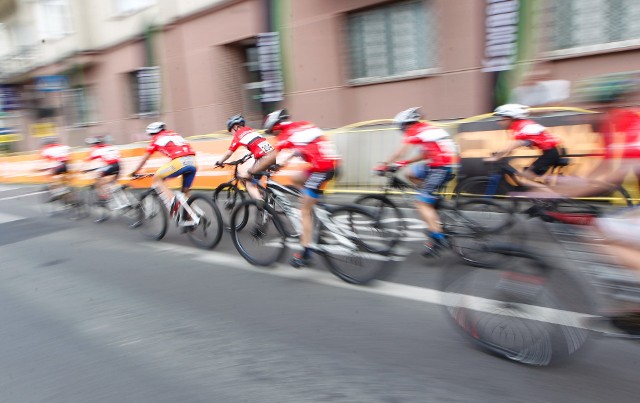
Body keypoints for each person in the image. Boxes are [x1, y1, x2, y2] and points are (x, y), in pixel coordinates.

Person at [249, 109, 341, 268]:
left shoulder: (286, 133)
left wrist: (253, 171)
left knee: (304, 210)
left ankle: (305, 253)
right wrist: (278, 166)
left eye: (273, 132)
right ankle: (318, 206)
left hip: (322, 169)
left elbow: (272, 156)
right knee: (297, 179)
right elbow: (295, 151)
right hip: (331, 164)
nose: (275, 136)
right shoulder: (302, 126)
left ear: (277, 127)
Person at [377, 107, 459, 257]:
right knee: (410, 174)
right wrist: (404, 163)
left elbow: (400, 151)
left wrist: (385, 164)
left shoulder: (414, 130)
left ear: (406, 124)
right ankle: (429, 198)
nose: (402, 130)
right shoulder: (426, 129)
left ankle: (438, 236)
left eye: (401, 127)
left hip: (441, 168)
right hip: (441, 164)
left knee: (420, 203)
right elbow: (425, 153)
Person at [130, 122, 197, 214]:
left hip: (179, 162)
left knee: (157, 178)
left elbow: (144, 160)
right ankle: (192, 218)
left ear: (152, 133)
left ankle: (172, 200)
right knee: (185, 194)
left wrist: (134, 171)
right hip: (193, 161)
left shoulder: (155, 139)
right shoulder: (174, 134)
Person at [487, 103, 564, 184]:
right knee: (526, 174)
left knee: (526, 178)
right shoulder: (521, 125)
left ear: (511, 118)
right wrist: (503, 154)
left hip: (550, 154)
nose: (499, 122)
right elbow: (517, 144)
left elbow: (516, 143)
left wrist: (497, 156)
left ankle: (553, 196)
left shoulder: (522, 126)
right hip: (551, 152)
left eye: (502, 119)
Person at [214, 114, 276, 200]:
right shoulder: (251, 130)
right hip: (273, 154)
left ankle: (262, 205)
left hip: (263, 158)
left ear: (236, 127)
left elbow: (229, 153)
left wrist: (219, 161)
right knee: (256, 179)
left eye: (231, 130)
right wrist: (249, 155)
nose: (231, 133)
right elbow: (256, 144)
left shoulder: (238, 134)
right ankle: (265, 201)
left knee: (249, 182)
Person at [84, 136, 121, 202]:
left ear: (96, 143)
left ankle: (104, 196)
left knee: (98, 180)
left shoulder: (97, 149)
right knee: (108, 181)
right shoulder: (112, 147)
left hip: (110, 166)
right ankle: (111, 192)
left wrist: (84, 169)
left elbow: (88, 160)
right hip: (118, 166)